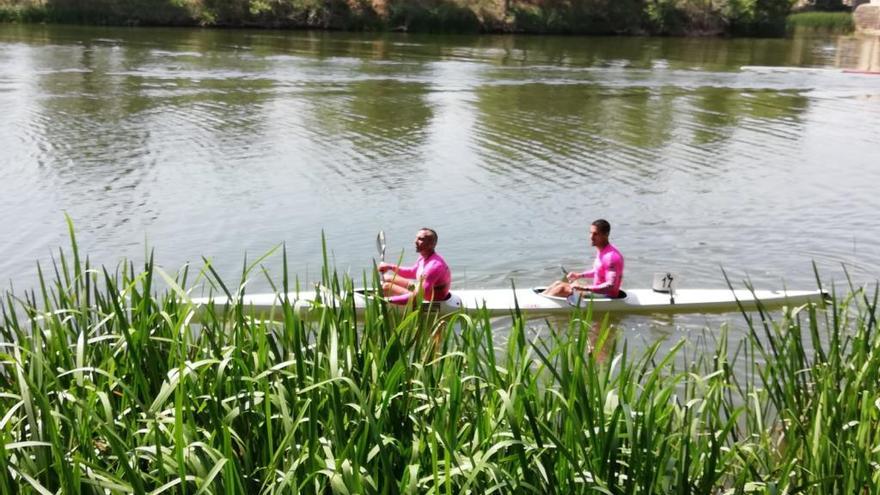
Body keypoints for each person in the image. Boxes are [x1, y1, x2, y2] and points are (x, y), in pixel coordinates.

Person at [544, 219, 624, 298]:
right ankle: (540, 299)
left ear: (606, 235)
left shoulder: (611, 257)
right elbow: (598, 271)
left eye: (595, 234)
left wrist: (584, 288)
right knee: (558, 283)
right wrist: (579, 275)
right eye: (591, 233)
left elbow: (610, 286)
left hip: (606, 296)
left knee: (561, 289)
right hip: (596, 291)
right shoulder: (603, 251)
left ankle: (539, 305)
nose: (591, 237)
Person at [378, 228, 451, 305]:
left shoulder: (433, 267)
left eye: (420, 239)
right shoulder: (423, 258)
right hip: (421, 290)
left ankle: (382, 303)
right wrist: (390, 267)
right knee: (387, 278)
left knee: (387, 286)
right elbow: (412, 272)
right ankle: (382, 295)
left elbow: (417, 297)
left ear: (432, 244)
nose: (415, 242)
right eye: (416, 238)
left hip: (430, 301)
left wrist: (387, 301)